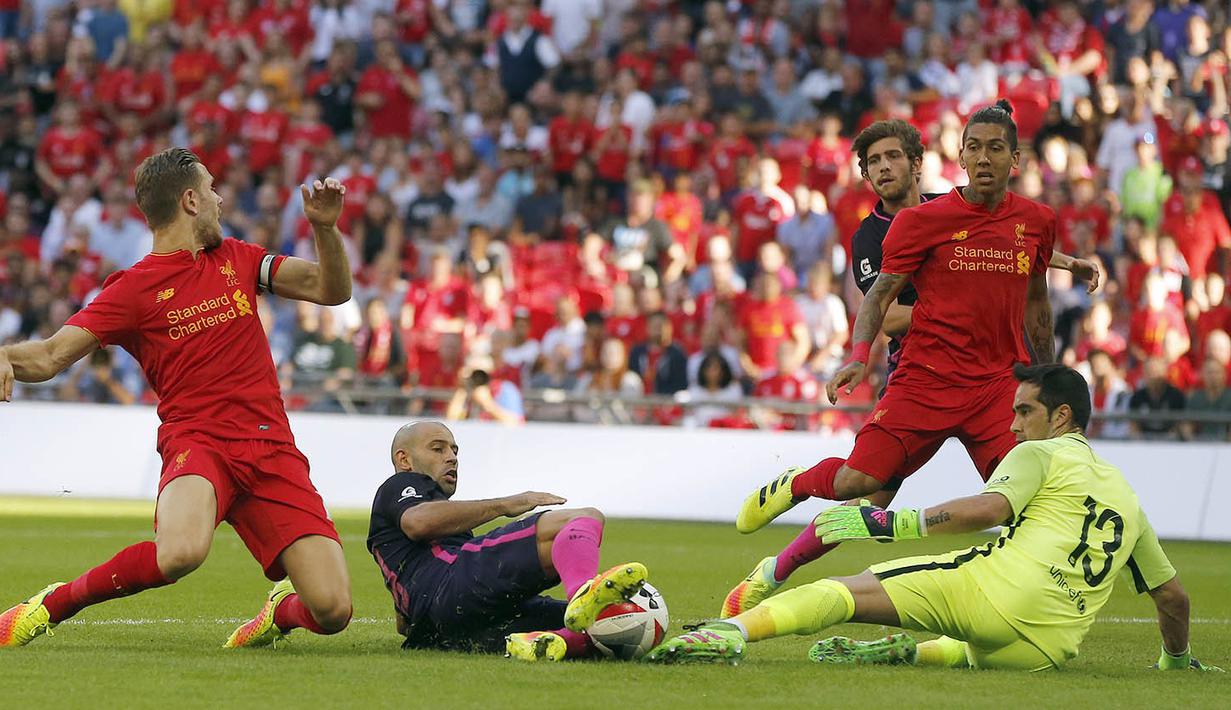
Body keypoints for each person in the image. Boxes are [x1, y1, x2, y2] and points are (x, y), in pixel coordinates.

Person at [720, 115, 1099, 619]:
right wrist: (877, 347)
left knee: (1022, 502)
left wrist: (1068, 267)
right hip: (918, 375)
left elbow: (1012, 245)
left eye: (892, 156)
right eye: (873, 161)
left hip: (995, 383)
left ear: (920, 164)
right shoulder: (881, 235)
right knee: (859, 492)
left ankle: (1010, 608)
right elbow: (884, 307)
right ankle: (789, 509)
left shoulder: (963, 209)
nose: (884, 167)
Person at [0, 147, 354, 648]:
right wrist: (6, 357)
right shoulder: (133, 289)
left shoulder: (240, 258)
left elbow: (330, 289)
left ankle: (281, 610)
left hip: (271, 447)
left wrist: (324, 229)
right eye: (211, 189)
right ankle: (54, 604)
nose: (220, 199)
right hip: (199, 441)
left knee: (334, 609)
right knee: (181, 552)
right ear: (190, 200)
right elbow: (53, 354)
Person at [649, 365, 1222, 673]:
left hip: (993, 596)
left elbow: (988, 511)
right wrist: (1173, 660)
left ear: (1061, 416)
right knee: (973, 650)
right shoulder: (1128, 496)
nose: (1015, 425)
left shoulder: (1039, 454)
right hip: (1047, 650)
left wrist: (892, 525)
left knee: (839, 593)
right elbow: (1173, 599)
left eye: (1024, 411)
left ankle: (728, 634)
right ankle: (904, 650)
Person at [367, 421, 646, 661]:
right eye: (438, 448)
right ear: (405, 460)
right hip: (452, 587)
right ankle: (582, 594)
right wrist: (507, 503)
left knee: (610, 622)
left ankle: (564, 641)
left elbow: (403, 624)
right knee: (582, 519)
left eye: (454, 450)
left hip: (443, 631)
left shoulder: (424, 524)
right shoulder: (400, 485)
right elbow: (419, 522)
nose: (451, 457)